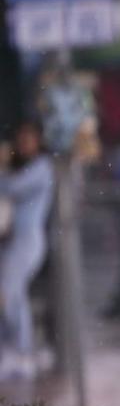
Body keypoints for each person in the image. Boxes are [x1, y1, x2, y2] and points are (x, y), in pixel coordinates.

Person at [0, 120, 54, 381]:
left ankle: (22, 351)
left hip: (28, 239)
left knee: (11, 292)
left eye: (29, 138)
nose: (24, 143)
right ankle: (10, 349)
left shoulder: (42, 168)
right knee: (9, 294)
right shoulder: (18, 167)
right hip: (11, 240)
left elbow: (13, 187)